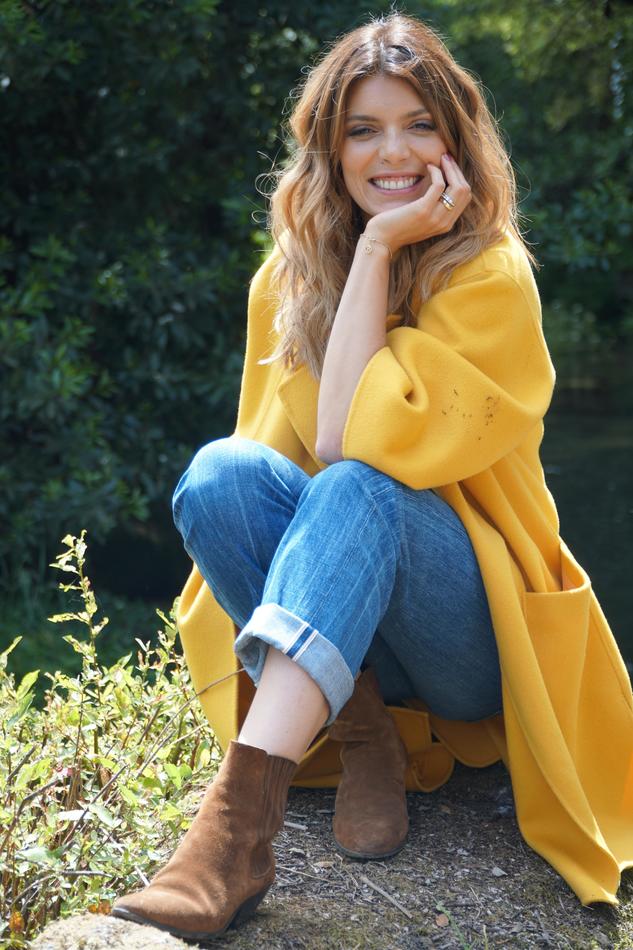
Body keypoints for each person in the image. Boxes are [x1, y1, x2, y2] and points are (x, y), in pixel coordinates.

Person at [112, 12, 633, 941]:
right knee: (218, 475)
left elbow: (348, 443)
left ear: (455, 140)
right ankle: (364, 739)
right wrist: (358, 262)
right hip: (350, 628)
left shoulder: (489, 275)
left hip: (470, 640)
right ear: (330, 147)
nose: (391, 152)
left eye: (417, 125)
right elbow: (271, 475)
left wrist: (381, 246)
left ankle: (231, 840)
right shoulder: (285, 283)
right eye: (363, 129)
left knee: (361, 487)